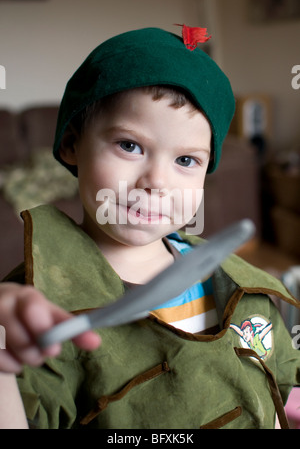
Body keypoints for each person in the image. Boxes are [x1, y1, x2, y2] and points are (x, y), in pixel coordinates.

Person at [0, 26, 299, 429]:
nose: (156, 181)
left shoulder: (234, 284)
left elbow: (274, 389)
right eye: (129, 145)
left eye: (186, 160)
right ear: (72, 143)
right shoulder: (39, 306)